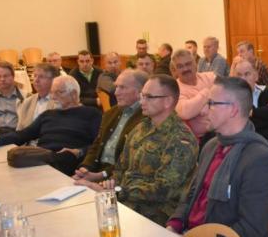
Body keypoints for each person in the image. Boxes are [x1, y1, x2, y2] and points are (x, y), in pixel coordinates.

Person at [166, 76, 268, 237]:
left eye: (211, 103)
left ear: (233, 110)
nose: (203, 111)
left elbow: (251, 229)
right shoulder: (212, 145)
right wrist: (174, 225)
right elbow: (192, 195)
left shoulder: (258, 159)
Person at [76, 75, 198, 226]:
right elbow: (121, 168)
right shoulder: (141, 127)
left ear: (168, 101)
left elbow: (163, 190)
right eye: (142, 96)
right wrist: (108, 186)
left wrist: (116, 191)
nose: (141, 102)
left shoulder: (180, 139)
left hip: (155, 214)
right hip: (124, 202)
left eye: (149, 97)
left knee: (93, 223)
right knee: (81, 214)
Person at [0, 75, 102, 175]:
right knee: (14, 155)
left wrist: (79, 151)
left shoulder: (91, 114)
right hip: (42, 157)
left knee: (63, 157)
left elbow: (99, 144)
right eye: (52, 92)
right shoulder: (48, 115)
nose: (53, 97)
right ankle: (46, 158)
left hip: (69, 161)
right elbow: (22, 135)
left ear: (74, 94)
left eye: (59, 92)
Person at [73, 69, 147, 182]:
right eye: (116, 87)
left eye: (122, 87)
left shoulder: (146, 118)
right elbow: (97, 144)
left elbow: (132, 160)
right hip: (97, 171)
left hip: (121, 178)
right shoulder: (110, 113)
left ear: (140, 91)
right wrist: (85, 168)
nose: (116, 92)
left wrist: (102, 175)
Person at [232, 58, 268, 140]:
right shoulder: (231, 98)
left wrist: (253, 112)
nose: (243, 79)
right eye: (239, 75)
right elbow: (248, 126)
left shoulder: (266, 91)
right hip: (247, 144)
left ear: (256, 76)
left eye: (247, 74)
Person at [172, 49, 217, 141]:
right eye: (180, 66)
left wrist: (203, 105)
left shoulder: (209, 77)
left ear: (195, 64)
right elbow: (185, 112)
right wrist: (207, 93)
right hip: (200, 139)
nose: (185, 69)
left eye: (188, 64)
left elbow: (227, 97)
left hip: (222, 130)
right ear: (175, 70)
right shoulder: (175, 89)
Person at [16, 63, 59, 131]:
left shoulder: (59, 102)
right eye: (35, 76)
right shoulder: (28, 101)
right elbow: (20, 129)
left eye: (41, 77)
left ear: (53, 80)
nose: (36, 80)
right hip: (27, 140)